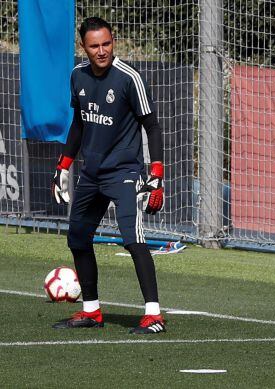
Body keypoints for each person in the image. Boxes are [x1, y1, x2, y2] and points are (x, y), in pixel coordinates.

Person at [51, 17, 166, 334]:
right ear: (84, 47)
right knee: (77, 238)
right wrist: (63, 165)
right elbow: (78, 124)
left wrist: (156, 173)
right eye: (94, 45)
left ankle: (153, 315)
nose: (102, 51)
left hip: (125, 173)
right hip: (90, 173)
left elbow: (152, 126)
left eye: (106, 43)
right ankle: (91, 312)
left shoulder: (129, 78)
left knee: (133, 239)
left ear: (112, 42)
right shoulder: (77, 76)